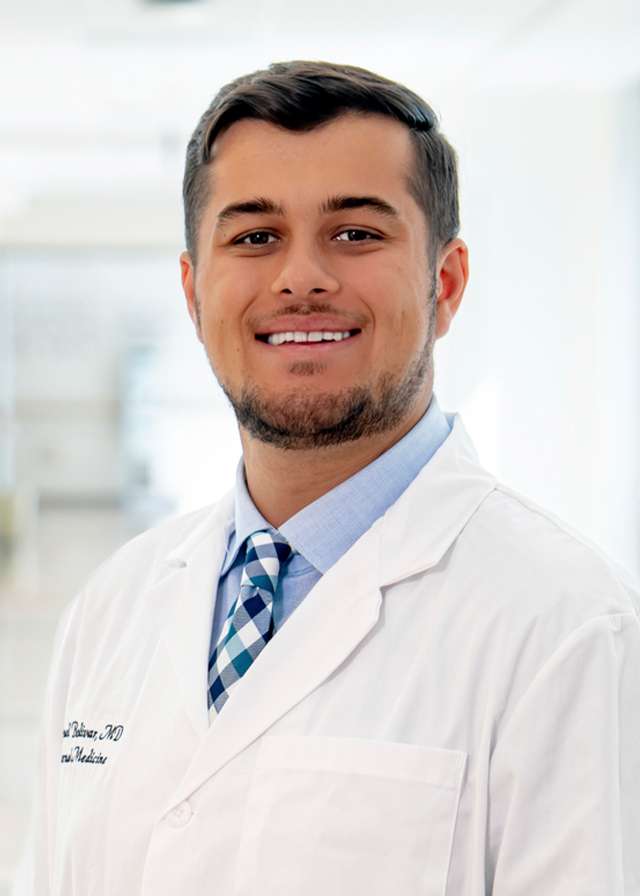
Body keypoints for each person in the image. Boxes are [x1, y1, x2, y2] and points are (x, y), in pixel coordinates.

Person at [14, 60, 640, 895]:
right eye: (254, 236)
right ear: (194, 293)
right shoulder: (113, 607)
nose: (300, 277)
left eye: (356, 234)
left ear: (445, 284)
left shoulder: (565, 627)